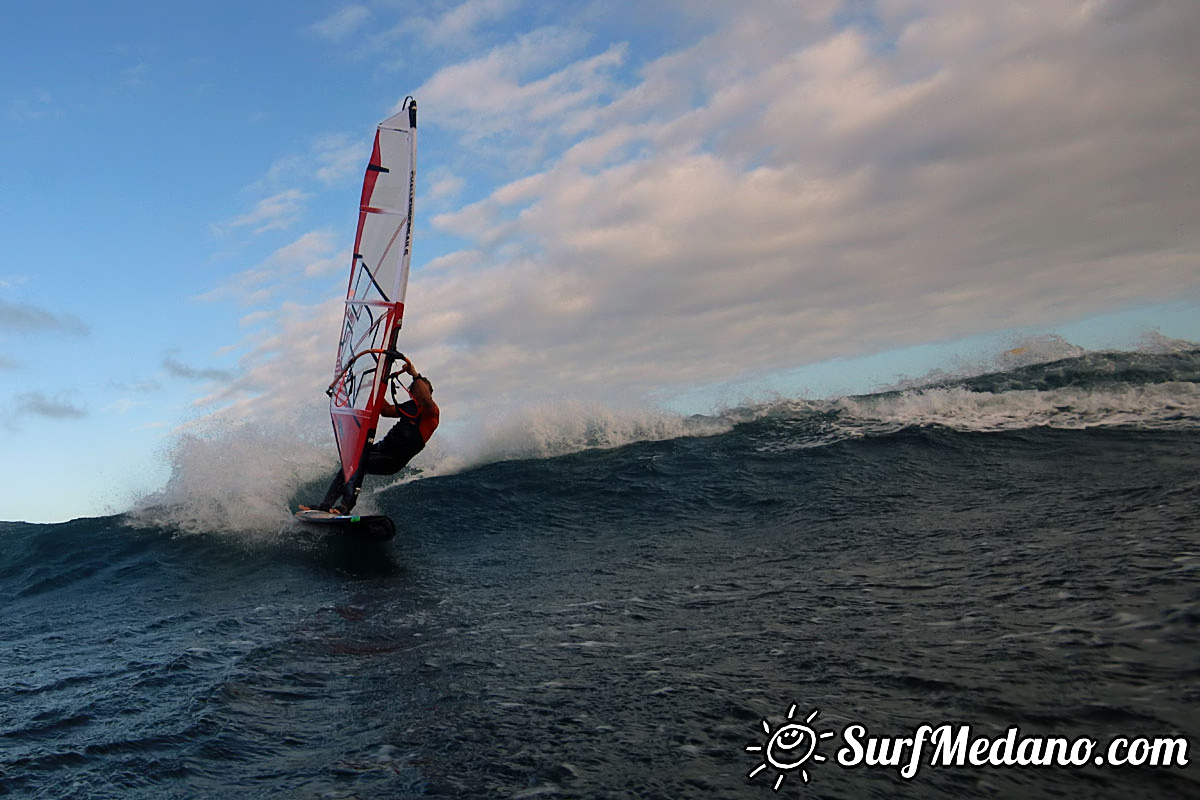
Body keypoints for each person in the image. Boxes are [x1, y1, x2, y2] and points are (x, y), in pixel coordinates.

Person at [302, 354, 439, 515]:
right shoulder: (410, 407)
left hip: (393, 460)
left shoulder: (432, 413)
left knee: (360, 463)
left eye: (420, 390)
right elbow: (386, 411)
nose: (417, 394)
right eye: (413, 391)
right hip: (381, 448)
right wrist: (376, 386)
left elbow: (424, 397)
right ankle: (325, 506)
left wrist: (415, 375)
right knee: (348, 464)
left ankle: (345, 507)